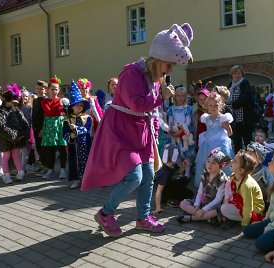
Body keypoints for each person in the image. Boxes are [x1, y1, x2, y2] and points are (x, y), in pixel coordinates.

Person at [81, 23, 193, 237]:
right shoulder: (131, 72)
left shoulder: (155, 79)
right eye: (169, 64)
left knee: (149, 175)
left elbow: (152, 110)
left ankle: (143, 218)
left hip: (142, 131)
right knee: (134, 177)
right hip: (121, 130)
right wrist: (162, 97)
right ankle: (105, 214)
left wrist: (164, 127)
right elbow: (137, 104)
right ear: (159, 58)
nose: (170, 69)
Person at [178, 148, 229, 224]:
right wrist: (196, 205)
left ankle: (191, 218)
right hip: (203, 203)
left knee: (214, 212)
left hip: (213, 206)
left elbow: (218, 199)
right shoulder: (205, 175)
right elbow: (200, 192)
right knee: (183, 203)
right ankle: (197, 214)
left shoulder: (221, 180)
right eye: (208, 161)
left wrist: (203, 210)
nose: (210, 165)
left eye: (214, 163)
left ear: (221, 166)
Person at [194, 92, 234, 188]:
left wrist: (225, 129)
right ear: (207, 106)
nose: (213, 107)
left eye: (215, 105)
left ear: (220, 105)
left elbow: (230, 133)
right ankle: (206, 186)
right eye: (210, 105)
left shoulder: (222, 118)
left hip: (220, 145)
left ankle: (223, 185)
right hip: (207, 145)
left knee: (221, 164)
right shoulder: (206, 118)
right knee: (205, 163)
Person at [0, 88, 30, 184]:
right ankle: (6, 175)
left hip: (17, 139)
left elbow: (24, 123)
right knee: (6, 156)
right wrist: (14, 136)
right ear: (6, 101)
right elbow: (2, 127)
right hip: (6, 139)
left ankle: (20, 172)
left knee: (16, 155)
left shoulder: (16, 110)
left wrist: (22, 134)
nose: (15, 104)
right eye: (12, 102)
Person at [221, 150, 264, 229]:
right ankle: (235, 218)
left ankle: (244, 220)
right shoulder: (235, 176)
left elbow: (248, 206)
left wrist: (245, 224)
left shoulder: (246, 185)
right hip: (241, 203)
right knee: (225, 206)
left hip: (254, 212)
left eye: (235, 161)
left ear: (241, 170)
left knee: (224, 209)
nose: (231, 161)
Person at [63, 81, 92, 189]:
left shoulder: (86, 118)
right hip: (73, 146)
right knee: (74, 161)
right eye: (77, 105)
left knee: (86, 161)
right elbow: (64, 133)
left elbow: (87, 129)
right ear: (72, 107)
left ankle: (85, 179)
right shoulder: (67, 120)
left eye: (81, 105)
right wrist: (70, 136)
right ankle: (76, 179)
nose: (80, 107)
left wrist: (77, 129)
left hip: (85, 144)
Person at [40, 78, 68, 180]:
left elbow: (65, 112)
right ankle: (51, 170)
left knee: (62, 147)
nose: (54, 91)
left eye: (56, 89)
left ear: (59, 90)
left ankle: (63, 170)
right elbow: (49, 111)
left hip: (60, 124)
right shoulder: (44, 101)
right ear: (48, 90)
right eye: (52, 89)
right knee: (49, 148)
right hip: (49, 124)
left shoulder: (62, 101)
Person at [152, 144, 188, 214]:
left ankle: (172, 199)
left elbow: (178, 172)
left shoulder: (172, 165)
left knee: (184, 183)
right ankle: (169, 200)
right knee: (187, 194)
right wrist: (157, 208)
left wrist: (184, 166)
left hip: (168, 186)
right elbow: (159, 190)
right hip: (164, 193)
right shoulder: (164, 172)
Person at [227, 65, 255, 152]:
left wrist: (232, 105)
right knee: (236, 142)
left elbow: (244, 98)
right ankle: (238, 161)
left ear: (242, 74)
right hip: (234, 118)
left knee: (248, 141)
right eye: (234, 73)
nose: (237, 75)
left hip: (244, 118)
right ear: (231, 75)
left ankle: (250, 161)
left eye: (239, 73)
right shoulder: (230, 86)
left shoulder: (245, 83)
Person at [167, 86, 193, 179]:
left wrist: (181, 129)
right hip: (174, 134)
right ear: (175, 97)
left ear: (185, 97)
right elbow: (170, 121)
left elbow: (188, 121)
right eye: (178, 95)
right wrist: (173, 129)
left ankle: (187, 173)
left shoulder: (187, 108)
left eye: (182, 96)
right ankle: (180, 171)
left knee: (186, 154)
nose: (180, 98)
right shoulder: (171, 109)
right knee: (176, 154)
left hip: (184, 133)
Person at [31, 80, 48, 174]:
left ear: (45, 90)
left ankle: (47, 166)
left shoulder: (45, 100)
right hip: (35, 127)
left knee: (44, 148)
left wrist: (43, 129)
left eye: (41, 88)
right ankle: (42, 164)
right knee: (38, 147)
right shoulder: (36, 100)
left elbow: (46, 115)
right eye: (37, 88)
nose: (39, 90)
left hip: (42, 128)